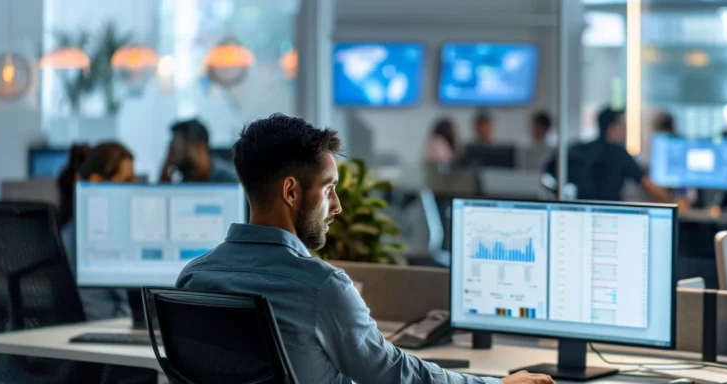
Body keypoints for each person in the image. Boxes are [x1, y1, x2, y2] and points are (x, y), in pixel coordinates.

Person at [176, 113, 554, 384]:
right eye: (328, 189)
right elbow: (394, 375)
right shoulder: (320, 288)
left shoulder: (194, 278)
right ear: (291, 192)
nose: (337, 206)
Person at [57, 142, 134, 321]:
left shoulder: (71, 229)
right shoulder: (95, 235)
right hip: (104, 328)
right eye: (127, 181)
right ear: (97, 182)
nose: (133, 189)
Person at [547, 107, 671, 203]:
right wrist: (673, 201)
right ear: (612, 128)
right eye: (623, 124)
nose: (626, 129)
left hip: (581, 210)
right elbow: (646, 184)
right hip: (611, 212)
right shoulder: (619, 153)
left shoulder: (577, 148)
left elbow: (548, 175)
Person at [160, 119, 238, 183]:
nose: (174, 154)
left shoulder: (230, 180)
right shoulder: (187, 179)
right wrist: (167, 165)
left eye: (176, 147)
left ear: (199, 147)